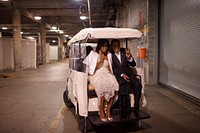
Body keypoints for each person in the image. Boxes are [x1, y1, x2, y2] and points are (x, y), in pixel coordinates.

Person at [83, 39, 119, 122]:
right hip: (96, 73)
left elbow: (110, 66)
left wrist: (110, 70)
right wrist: (101, 61)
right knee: (102, 85)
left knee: (114, 84)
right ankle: (101, 110)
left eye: (106, 46)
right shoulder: (93, 54)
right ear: (99, 46)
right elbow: (89, 69)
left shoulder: (109, 55)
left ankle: (108, 109)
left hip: (106, 72)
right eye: (103, 46)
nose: (105, 48)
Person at [111, 39, 142, 118]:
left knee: (138, 84)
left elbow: (133, 64)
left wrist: (129, 58)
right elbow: (113, 68)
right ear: (112, 46)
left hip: (129, 73)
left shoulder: (125, 52)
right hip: (119, 75)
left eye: (118, 44)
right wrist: (122, 74)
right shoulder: (110, 54)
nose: (117, 46)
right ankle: (124, 109)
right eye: (115, 45)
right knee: (123, 85)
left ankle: (136, 106)